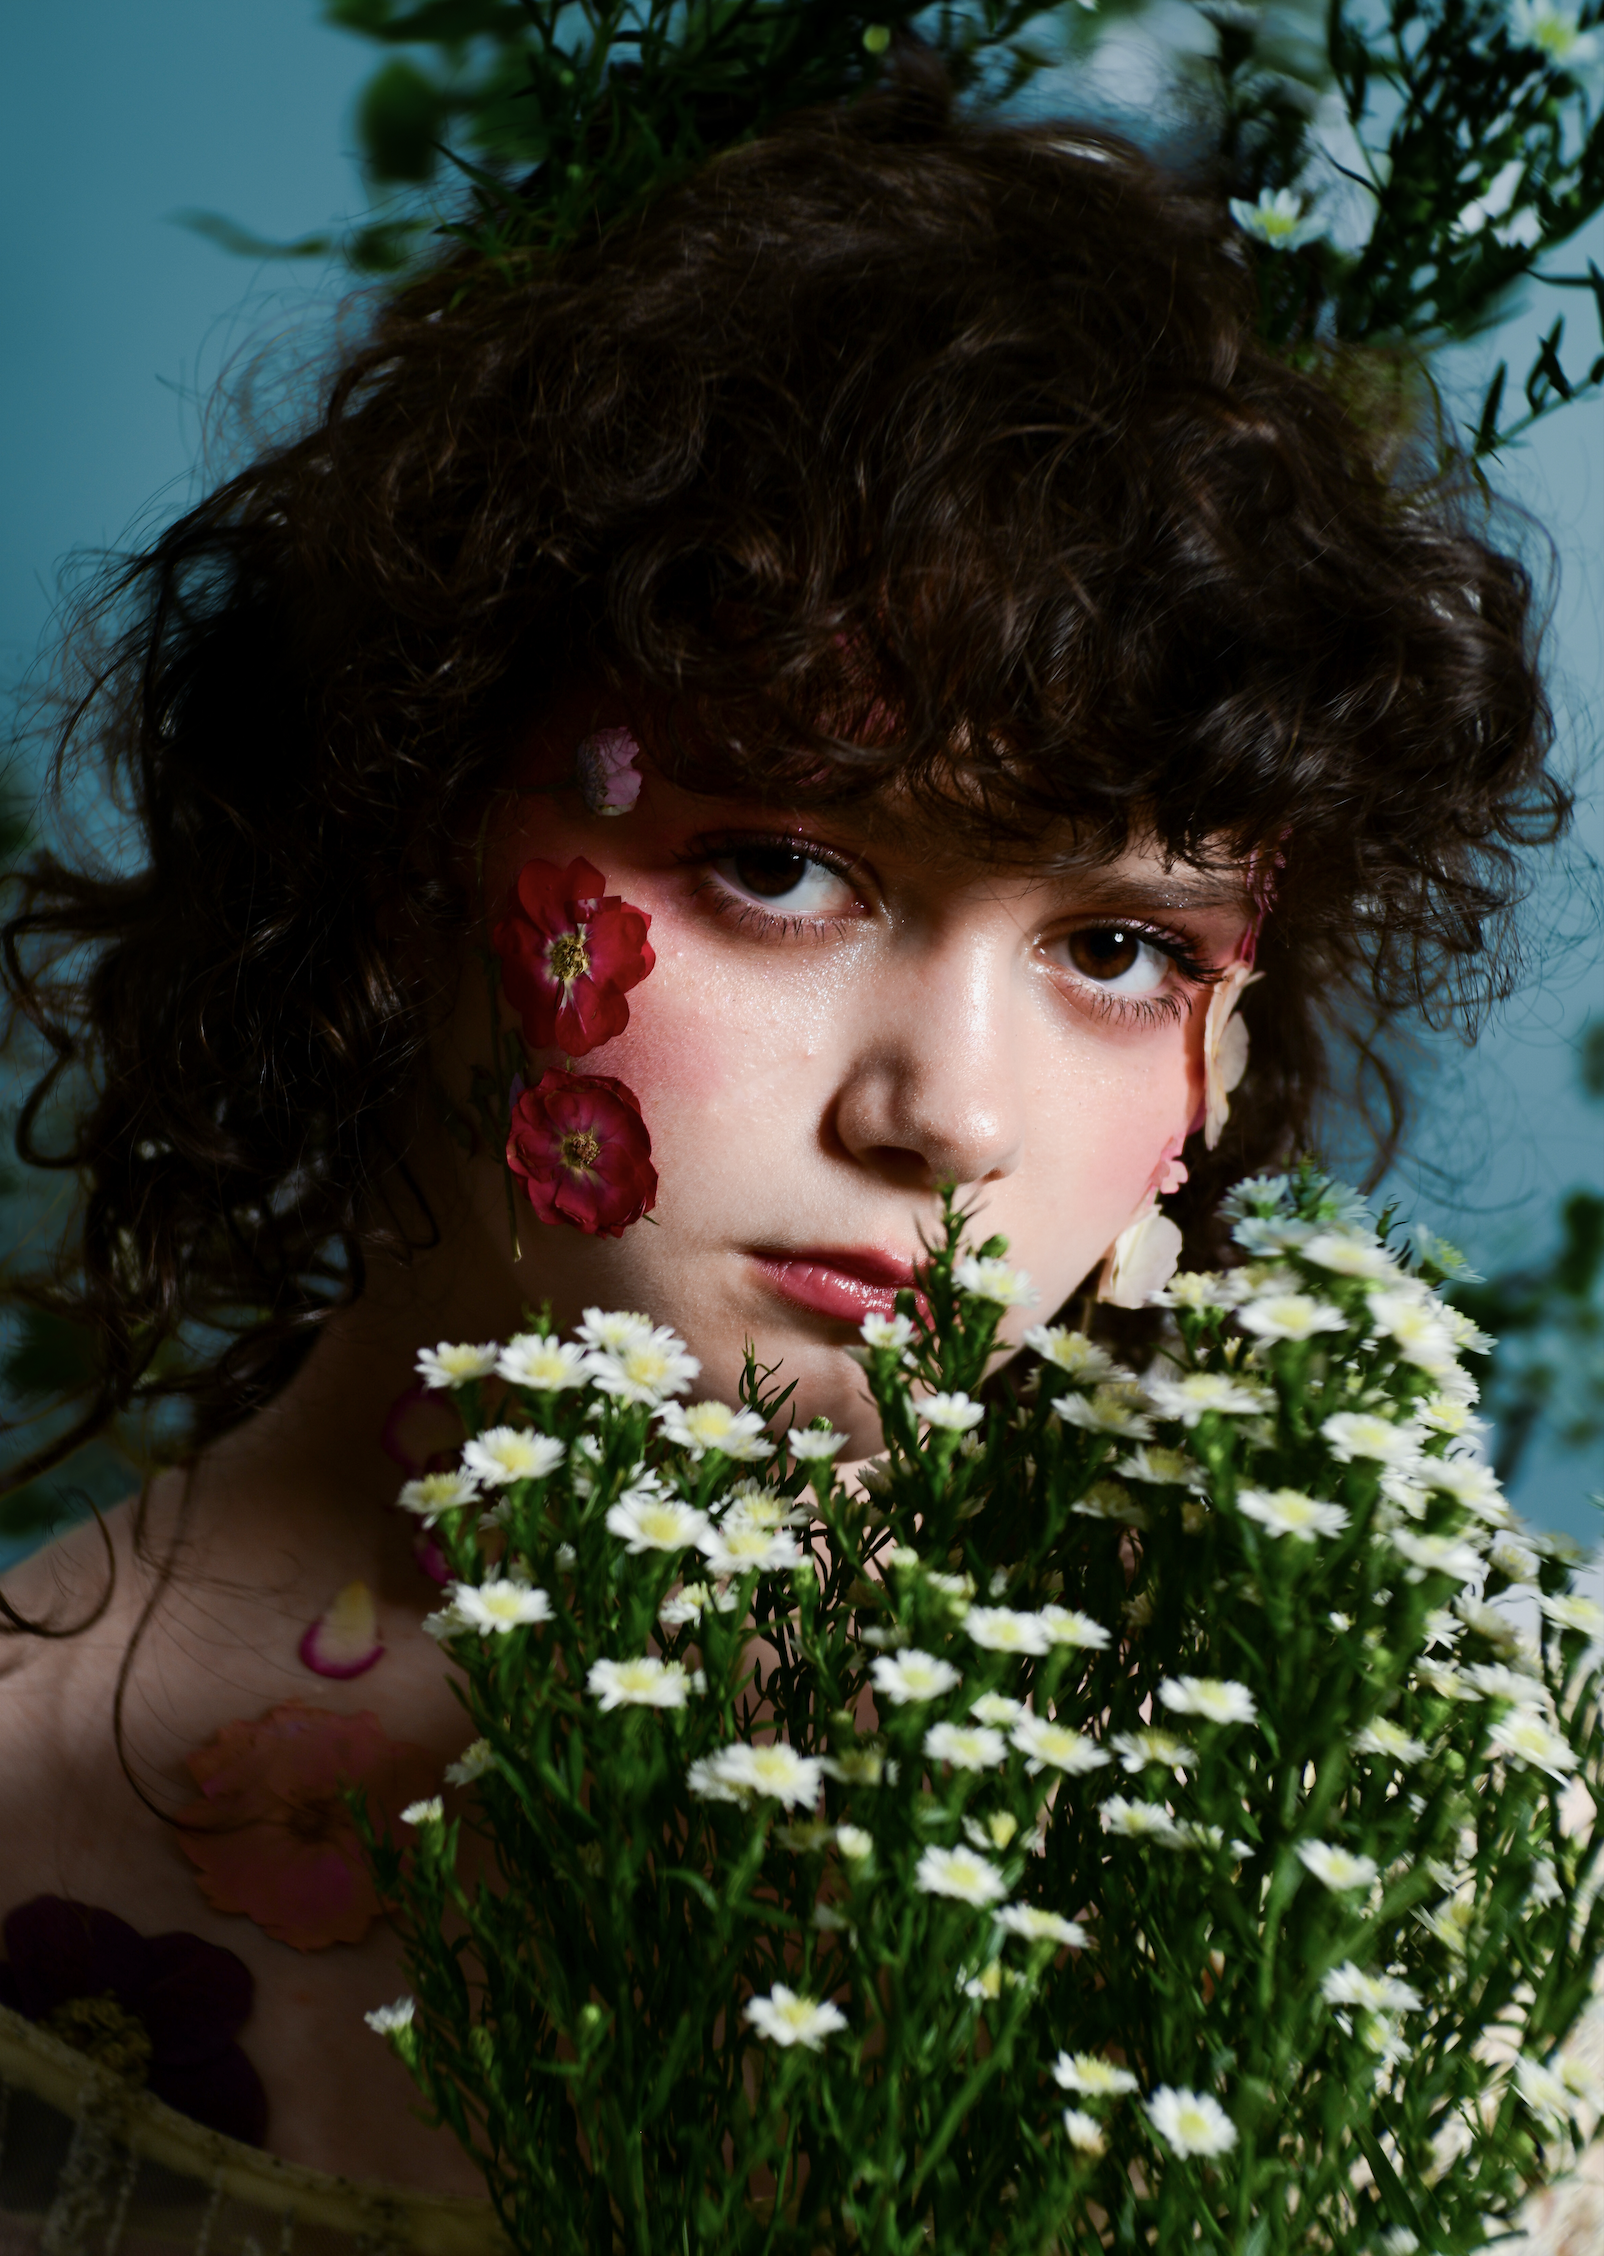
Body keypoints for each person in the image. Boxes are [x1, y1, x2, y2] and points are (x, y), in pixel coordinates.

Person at [0, 68, 1564, 2219]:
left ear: (1231, 1036)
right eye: (783, 869)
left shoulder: (1481, 1808)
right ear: (394, 838)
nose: (949, 1113)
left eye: (1117, 945)